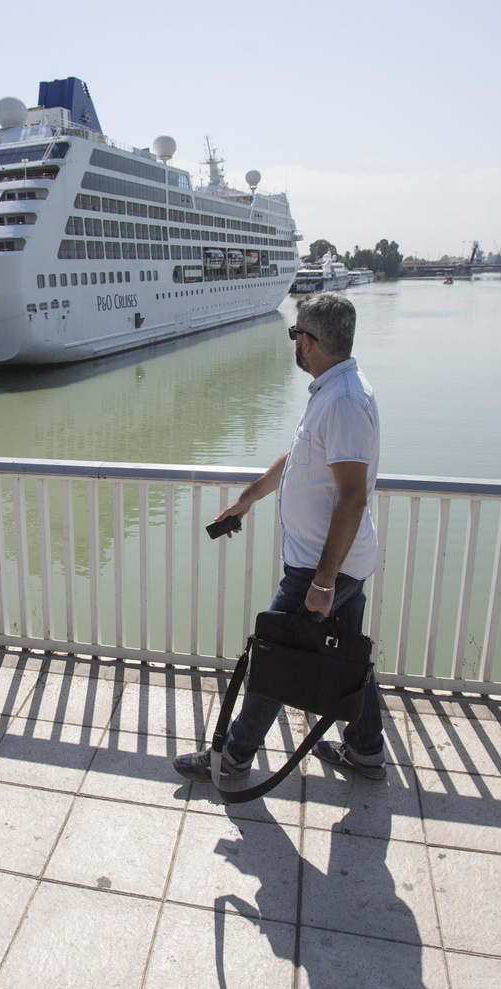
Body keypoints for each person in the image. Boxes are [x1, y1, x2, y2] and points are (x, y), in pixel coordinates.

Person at [173, 291, 390, 785]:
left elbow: (352, 498)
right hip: (335, 565)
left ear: (309, 342)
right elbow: (299, 460)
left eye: (296, 334)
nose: (294, 342)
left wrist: (323, 580)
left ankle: (231, 758)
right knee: (349, 656)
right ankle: (367, 750)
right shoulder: (333, 392)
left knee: (274, 662)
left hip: (321, 568)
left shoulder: (344, 402)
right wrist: (250, 496)